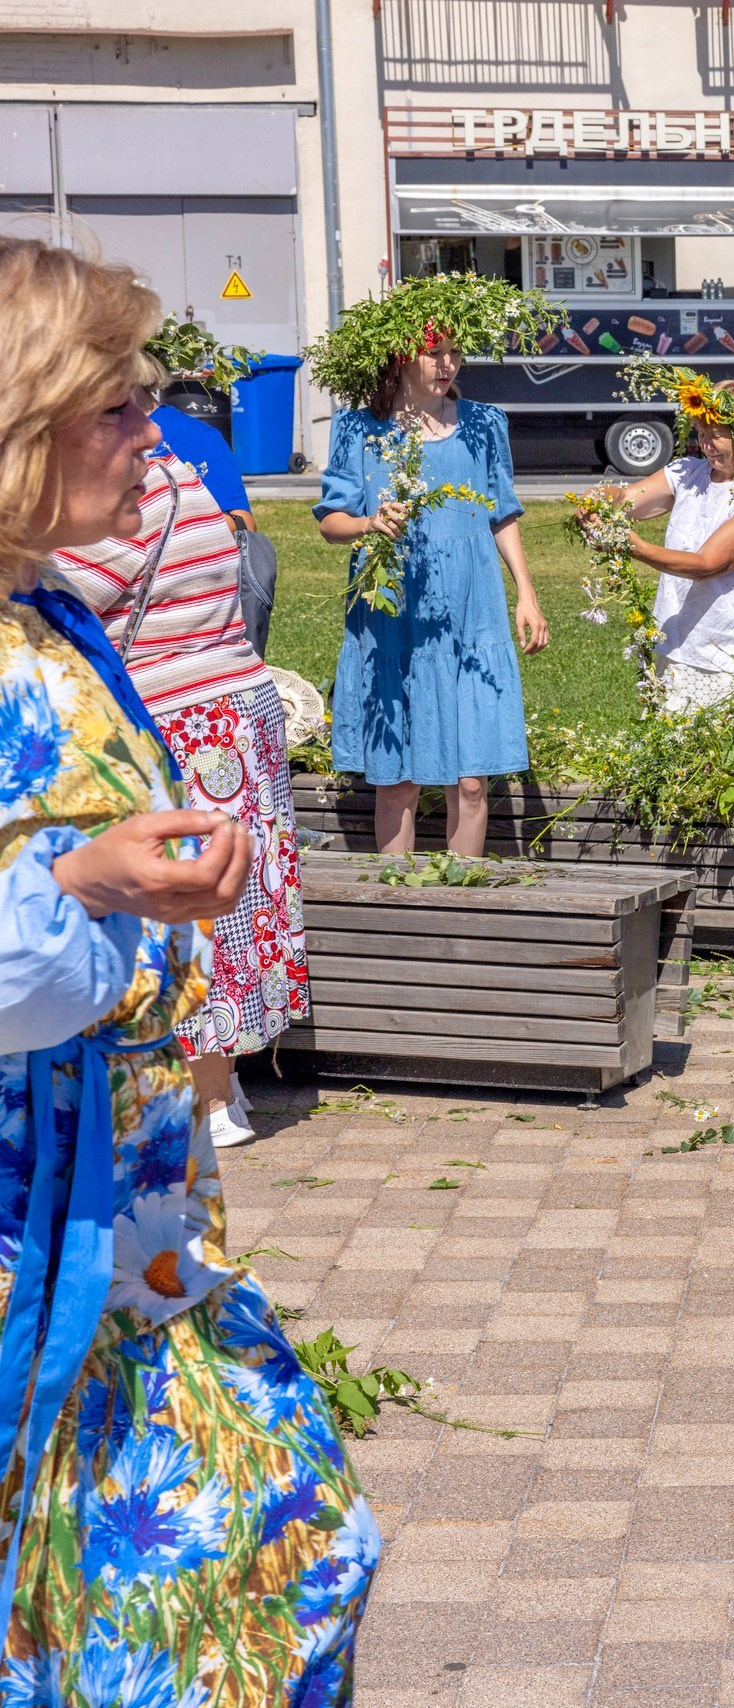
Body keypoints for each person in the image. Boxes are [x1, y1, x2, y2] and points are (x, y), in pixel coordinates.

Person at [0, 234, 377, 1706]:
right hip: (41, 1254)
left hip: (136, 1232)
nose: (153, 433)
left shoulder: (50, 617)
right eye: (117, 405)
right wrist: (82, 886)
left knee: (288, 1556)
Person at [52, 427, 311, 1149]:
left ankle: (210, 1099)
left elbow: (68, 596)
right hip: (235, 708)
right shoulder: (178, 478)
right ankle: (224, 1088)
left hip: (182, 719)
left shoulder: (126, 501)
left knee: (187, 905)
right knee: (233, 896)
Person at [315, 324, 548, 855]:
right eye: (432, 353)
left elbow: (502, 513)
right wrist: (369, 523)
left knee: (471, 779)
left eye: (454, 353)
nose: (447, 364)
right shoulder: (358, 429)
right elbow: (330, 521)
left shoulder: (485, 423)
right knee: (398, 777)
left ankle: (462, 906)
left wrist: (526, 594)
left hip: (471, 604)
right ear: (399, 359)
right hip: (395, 603)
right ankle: (395, 901)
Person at [600, 378, 734, 715]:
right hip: (679, 640)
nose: (706, 445)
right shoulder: (687, 473)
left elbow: (708, 564)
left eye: (715, 435)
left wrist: (635, 547)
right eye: (700, 434)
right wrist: (597, 500)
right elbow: (626, 499)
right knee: (678, 754)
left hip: (732, 648)